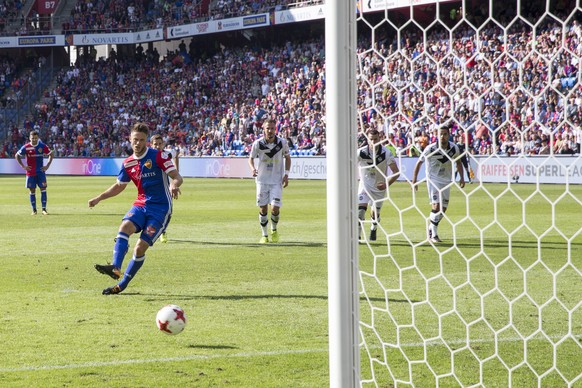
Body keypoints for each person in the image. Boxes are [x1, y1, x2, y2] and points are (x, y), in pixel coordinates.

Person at [89, 123, 183, 295]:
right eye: (135, 140)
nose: (138, 143)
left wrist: (174, 186)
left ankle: (122, 284)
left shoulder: (158, 156)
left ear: (146, 141)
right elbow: (119, 186)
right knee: (124, 227)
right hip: (141, 204)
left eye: (141, 140)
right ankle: (116, 267)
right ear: (130, 140)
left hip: (160, 208)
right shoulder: (128, 163)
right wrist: (99, 198)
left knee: (139, 248)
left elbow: (176, 176)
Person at [412, 124, 465, 243]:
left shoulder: (454, 148)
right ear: (436, 135)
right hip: (433, 179)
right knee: (436, 206)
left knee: (443, 209)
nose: (442, 136)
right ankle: (433, 235)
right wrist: (414, 180)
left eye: (445, 134)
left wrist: (462, 177)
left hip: (446, 180)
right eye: (440, 134)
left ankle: (431, 226)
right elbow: (419, 163)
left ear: (449, 135)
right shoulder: (430, 149)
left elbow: (459, 162)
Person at [248, 118, 291, 243]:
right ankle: (264, 235)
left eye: (272, 128)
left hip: (276, 181)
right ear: (264, 129)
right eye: (268, 128)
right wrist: (252, 169)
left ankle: (274, 229)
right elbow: (250, 159)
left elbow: (288, 158)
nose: (270, 131)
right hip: (261, 180)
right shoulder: (258, 143)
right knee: (263, 209)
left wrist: (286, 175)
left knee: (275, 209)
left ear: (275, 129)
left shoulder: (282, 143)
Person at [357, 128, 400, 241]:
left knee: (374, 214)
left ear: (380, 139)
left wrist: (386, 184)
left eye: (376, 139)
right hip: (364, 185)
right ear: (367, 139)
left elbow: (396, 172)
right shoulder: (361, 152)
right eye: (371, 139)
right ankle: (357, 236)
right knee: (360, 211)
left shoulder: (386, 153)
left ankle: (374, 226)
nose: (373, 142)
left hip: (379, 186)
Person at [15, 130, 54, 215]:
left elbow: (51, 154)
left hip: (40, 172)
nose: (34, 140)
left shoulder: (42, 146)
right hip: (30, 173)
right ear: (30, 138)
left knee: (43, 189)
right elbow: (17, 155)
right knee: (32, 191)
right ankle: (34, 210)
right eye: (33, 138)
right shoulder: (26, 147)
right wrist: (23, 166)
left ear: (38, 138)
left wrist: (47, 165)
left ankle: (44, 209)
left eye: (36, 138)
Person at [150, 134, 180, 243]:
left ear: (163, 144)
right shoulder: (147, 155)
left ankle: (162, 232)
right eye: (155, 144)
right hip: (150, 189)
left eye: (159, 144)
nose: (157, 146)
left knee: (166, 211)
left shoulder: (166, 154)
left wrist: (177, 172)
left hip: (164, 187)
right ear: (151, 145)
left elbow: (176, 154)